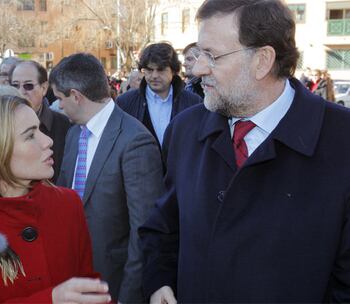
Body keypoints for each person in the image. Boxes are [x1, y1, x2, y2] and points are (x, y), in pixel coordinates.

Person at [139, 0, 350, 302]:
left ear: (262, 60)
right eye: (199, 53)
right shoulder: (185, 130)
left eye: (212, 56)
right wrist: (159, 280)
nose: (197, 68)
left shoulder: (342, 140)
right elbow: (163, 228)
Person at [0, 93, 111, 303]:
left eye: (40, 130)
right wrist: (50, 300)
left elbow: (89, 286)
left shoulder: (68, 203)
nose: (48, 141)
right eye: (30, 135)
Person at [50, 53, 164, 303]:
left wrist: (129, 295)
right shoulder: (73, 135)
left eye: (60, 98)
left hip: (113, 284)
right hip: (71, 278)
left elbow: (142, 230)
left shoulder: (135, 141)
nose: (58, 106)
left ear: (76, 96)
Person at [117, 42, 202, 148]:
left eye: (160, 70)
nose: (154, 75)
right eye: (149, 70)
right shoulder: (125, 102)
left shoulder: (193, 102)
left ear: (174, 71)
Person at [10, 60, 71, 182]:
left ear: (44, 88)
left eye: (28, 86)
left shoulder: (64, 126)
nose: (21, 92)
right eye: (15, 85)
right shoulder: (0, 125)